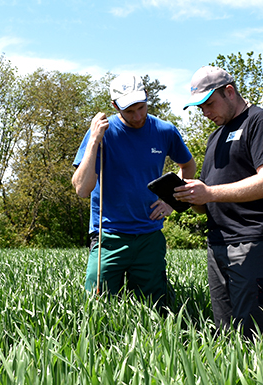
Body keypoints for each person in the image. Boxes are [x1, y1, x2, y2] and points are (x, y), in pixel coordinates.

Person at [173, 65, 263, 338]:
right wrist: (188, 197)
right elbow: (207, 200)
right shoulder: (216, 136)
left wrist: (210, 193)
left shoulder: (260, 122)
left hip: (254, 240)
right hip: (218, 244)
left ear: (229, 92)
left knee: (252, 336)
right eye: (199, 108)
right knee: (225, 335)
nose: (205, 113)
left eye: (209, 104)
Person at [72, 74, 196, 310]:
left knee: (154, 308)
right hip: (108, 235)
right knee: (97, 307)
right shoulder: (102, 133)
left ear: (147, 98)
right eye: (130, 111)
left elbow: (188, 166)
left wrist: (170, 202)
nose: (138, 116)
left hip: (150, 236)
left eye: (142, 107)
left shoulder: (165, 131)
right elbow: (82, 189)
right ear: (115, 106)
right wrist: (94, 140)